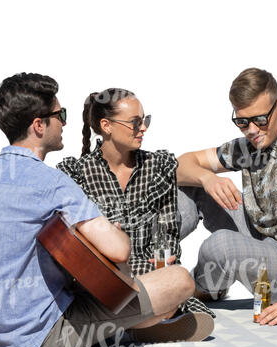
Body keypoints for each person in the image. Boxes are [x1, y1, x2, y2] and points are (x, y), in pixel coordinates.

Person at [0, 73, 211, 347]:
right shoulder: (52, 183)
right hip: (38, 333)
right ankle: (127, 327)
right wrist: (112, 232)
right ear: (38, 125)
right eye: (59, 114)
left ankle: (126, 324)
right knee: (179, 281)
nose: (65, 122)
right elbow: (119, 250)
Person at [177, 67, 277, 326]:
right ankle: (146, 263)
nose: (252, 129)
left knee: (219, 246)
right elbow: (182, 165)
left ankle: (186, 291)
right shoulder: (250, 145)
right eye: (242, 121)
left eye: (260, 119)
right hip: (264, 238)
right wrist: (208, 178)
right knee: (192, 187)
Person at [56, 88, 214, 320]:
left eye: (145, 120)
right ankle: (149, 320)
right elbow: (74, 245)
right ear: (106, 126)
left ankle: (139, 322)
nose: (143, 128)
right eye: (135, 122)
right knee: (127, 292)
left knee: (179, 280)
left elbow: (167, 230)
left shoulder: (158, 166)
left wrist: (168, 257)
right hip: (105, 276)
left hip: (151, 271)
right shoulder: (77, 174)